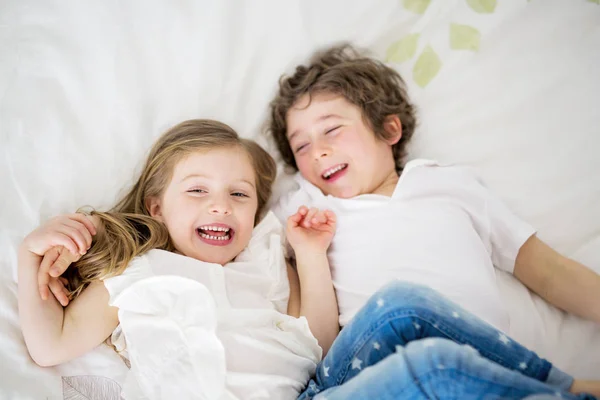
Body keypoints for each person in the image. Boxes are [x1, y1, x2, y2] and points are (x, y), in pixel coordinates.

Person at [19, 120, 598, 399]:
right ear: (157, 206)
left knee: (400, 304)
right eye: (196, 191)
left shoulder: (267, 257)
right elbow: (48, 347)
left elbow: (317, 344)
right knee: (432, 369)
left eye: (239, 195)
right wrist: (30, 255)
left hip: (315, 389)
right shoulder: (139, 278)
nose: (220, 205)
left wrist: (309, 254)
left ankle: (569, 388)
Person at [268, 43, 600, 334]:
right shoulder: (306, 208)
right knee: (402, 312)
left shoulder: (449, 185)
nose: (318, 152)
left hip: (484, 360)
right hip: (379, 361)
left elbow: (549, 272)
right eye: (301, 147)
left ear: (388, 128)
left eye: (332, 130)